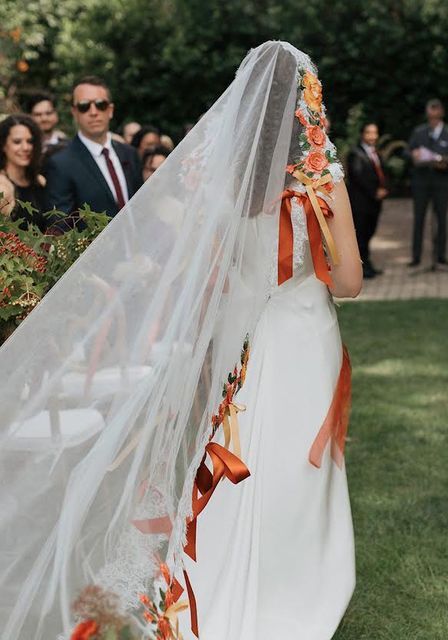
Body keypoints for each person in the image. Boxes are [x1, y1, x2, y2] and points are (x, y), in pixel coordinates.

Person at [0, 42, 361, 640]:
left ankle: (224, 574)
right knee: (299, 460)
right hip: (304, 334)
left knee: (246, 452)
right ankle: (300, 586)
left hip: (242, 341)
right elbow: (348, 284)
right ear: (306, 102)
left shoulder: (222, 182)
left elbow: (209, 279)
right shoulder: (322, 183)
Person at [45, 75, 143, 220]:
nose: (93, 112)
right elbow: (61, 226)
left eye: (100, 104)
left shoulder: (129, 153)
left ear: (110, 110)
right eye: (84, 106)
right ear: (74, 112)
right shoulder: (61, 164)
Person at [407, 98, 448, 266]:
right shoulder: (419, 132)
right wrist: (412, 155)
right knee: (419, 219)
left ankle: (441, 255)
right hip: (421, 182)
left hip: (441, 183)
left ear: (441, 114)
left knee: (441, 219)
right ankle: (416, 256)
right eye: (431, 116)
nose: (433, 119)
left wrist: (446, 165)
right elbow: (407, 152)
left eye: (436, 115)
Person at [347, 122, 388, 278]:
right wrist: (374, 192)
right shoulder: (356, 154)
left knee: (369, 233)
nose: (372, 136)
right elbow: (357, 177)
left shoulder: (375, 153)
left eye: (375, 132)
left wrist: (384, 189)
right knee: (361, 235)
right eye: (369, 132)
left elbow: (382, 173)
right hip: (361, 203)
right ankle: (360, 268)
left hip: (374, 203)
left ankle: (367, 263)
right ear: (363, 134)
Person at [0, 114, 47, 230]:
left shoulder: (39, 181)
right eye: (17, 142)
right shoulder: (3, 189)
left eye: (30, 141)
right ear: (3, 145)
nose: (26, 147)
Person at [26, 91, 68, 158]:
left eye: (48, 113)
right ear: (30, 117)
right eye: (38, 115)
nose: (44, 118)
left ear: (56, 115)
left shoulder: (67, 145)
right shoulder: (25, 147)